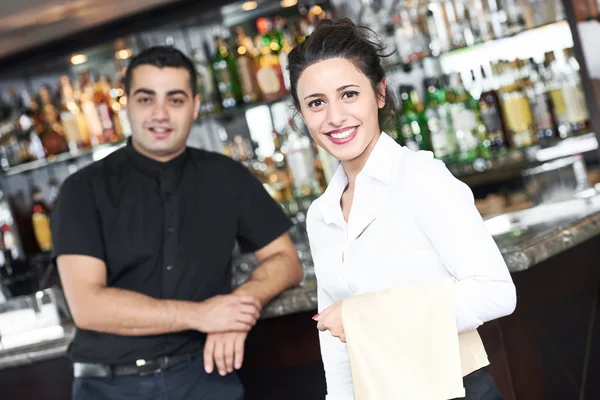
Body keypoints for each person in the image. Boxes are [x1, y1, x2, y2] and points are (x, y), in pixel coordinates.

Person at [52, 46, 303, 400]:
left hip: (204, 377)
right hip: (110, 386)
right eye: (145, 99)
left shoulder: (226, 176)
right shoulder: (82, 190)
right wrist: (202, 315)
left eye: (175, 100)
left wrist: (237, 308)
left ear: (195, 106)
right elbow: (88, 307)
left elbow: (286, 261)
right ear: (127, 106)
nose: (160, 114)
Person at [287, 18, 517, 399]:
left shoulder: (422, 178)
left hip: (454, 389)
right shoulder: (321, 215)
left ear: (379, 93)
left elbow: (496, 293)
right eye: (316, 103)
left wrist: (365, 317)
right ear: (302, 114)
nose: (335, 117)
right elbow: (337, 345)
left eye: (348, 94)